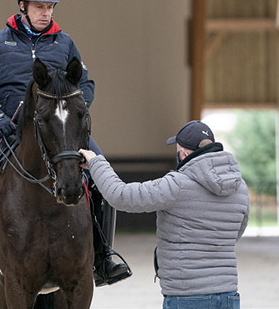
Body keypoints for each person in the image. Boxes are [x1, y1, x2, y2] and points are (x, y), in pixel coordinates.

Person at [0, 0, 131, 286]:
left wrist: (73, 112)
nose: (46, 12)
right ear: (23, 7)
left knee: (102, 178)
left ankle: (104, 257)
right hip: (13, 131)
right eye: (39, 6)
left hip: (62, 131)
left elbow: (85, 84)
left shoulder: (65, 42)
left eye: (50, 7)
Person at [79, 120, 250, 308]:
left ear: (184, 153)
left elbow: (121, 196)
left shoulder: (177, 184)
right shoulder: (240, 187)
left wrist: (96, 163)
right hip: (228, 295)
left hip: (187, 296)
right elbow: (235, 233)